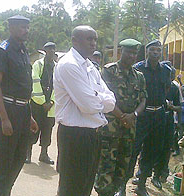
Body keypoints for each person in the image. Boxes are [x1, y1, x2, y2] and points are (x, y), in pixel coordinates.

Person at [54, 25, 116, 196]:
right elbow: (89, 106)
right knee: (71, 188)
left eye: (95, 39)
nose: (93, 43)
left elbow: (111, 99)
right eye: (89, 39)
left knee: (85, 188)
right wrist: (98, 98)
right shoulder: (69, 65)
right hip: (75, 136)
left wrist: (95, 96)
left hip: (92, 134)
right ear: (75, 40)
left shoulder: (89, 66)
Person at [0, 15, 38, 196]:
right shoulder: (2, 50)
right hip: (7, 109)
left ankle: (4, 191)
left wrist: (29, 116)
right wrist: (4, 118)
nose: (26, 30)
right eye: (22, 27)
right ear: (11, 28)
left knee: (18, 157)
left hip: (23, 110)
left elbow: (22, 87)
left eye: (27, 27)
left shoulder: (23, 50)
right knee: (2, 159)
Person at [94, 39, 147, 196]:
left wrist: (133, 115)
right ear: (121, 52)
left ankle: (118, 189)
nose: (131, 56)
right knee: (106, 165)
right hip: (111, 127)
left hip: (129, 128)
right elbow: (104, 96)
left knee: (123, 164)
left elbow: (143, 99)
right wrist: (122, 116)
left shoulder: (139, 76)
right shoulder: (109, 71)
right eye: (128, 52)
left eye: (134, 53)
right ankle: (103, 193)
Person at [132, 40, 172, 196]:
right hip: (143, 115)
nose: (156, 52)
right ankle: (122, 184)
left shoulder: (166, 70)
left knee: (152, 149)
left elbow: (166, 88)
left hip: (159, 115)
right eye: (153, 50)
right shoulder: (138, 69)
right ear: (147, 52)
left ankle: (141, 183)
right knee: (134, 149)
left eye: (158, 50)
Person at [25, 42, 56, 165]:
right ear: (45, 51)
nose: (52, 51)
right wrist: (43, 101)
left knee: (47, 129)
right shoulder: (38, 65)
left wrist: (51, 101)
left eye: (53, 49)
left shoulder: (57, 67)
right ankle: (27, 154)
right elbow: (35, 82)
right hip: (38, 103)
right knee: (33, 128)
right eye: (49, 49)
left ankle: (44, 154)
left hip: (51, 105)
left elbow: (59, 86)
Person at [157, 67, 182, 183]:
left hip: (169, 120)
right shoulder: (157, 85)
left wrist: (172, 107)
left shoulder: (175, 88)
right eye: (168, 74)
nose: (170, 77)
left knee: (166, 146)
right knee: (154, 145)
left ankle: (161, 173)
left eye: (172, 75)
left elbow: (180, 107)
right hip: (155, 119)